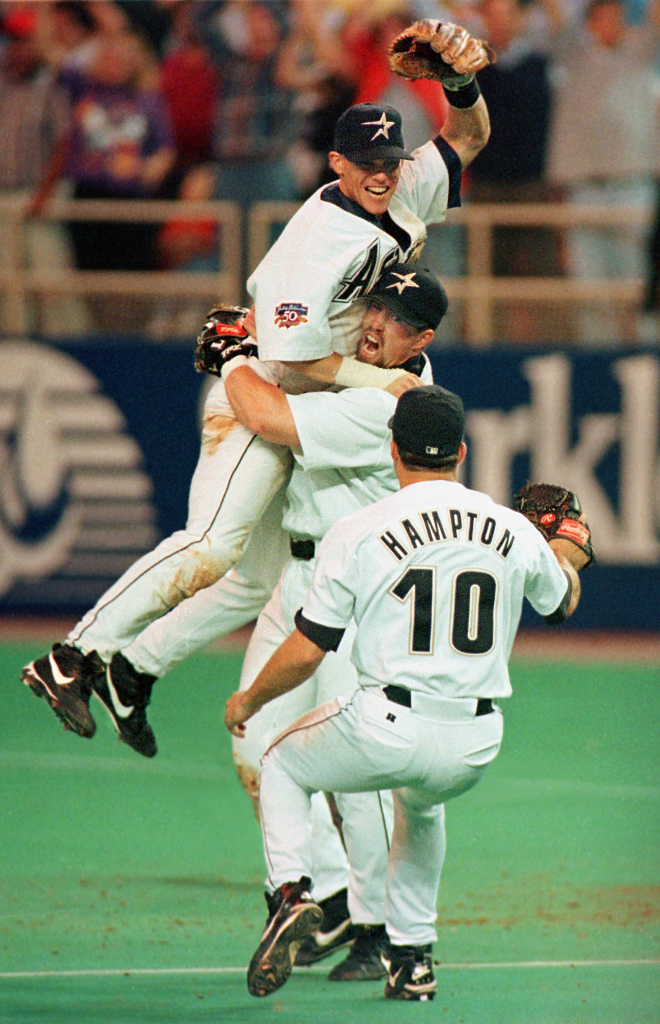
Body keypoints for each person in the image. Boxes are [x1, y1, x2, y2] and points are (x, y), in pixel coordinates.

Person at [21, 38, 490, 751]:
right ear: (337, 164)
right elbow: (298, 367)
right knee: (210, 545)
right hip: (255, 391)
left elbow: (470, 135)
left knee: (250, 581)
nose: (383, 176)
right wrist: (378, 378)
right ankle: (70, 657)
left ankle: (133, 673)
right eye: (367, 164)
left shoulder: (401, 189)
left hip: (292, 392)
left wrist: (458, 80)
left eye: (390, 162)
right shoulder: (317, 242)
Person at [224, 384, 589, 1001]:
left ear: (393, 450)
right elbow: (563, 600)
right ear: (462, 452)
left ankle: (290, 894)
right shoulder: (509, 526)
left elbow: (309, 648)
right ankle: (412, 958)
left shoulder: (359, 528)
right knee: (421, 805)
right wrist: (567, 552)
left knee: (280, 760)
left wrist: (251, 700)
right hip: (474, 743)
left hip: (386, 727)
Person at [218, 263, 446, 981]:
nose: (378, 324)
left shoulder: (393, 405)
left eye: (398, 320)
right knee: (256, 742)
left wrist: (234, 356)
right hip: (298, 571)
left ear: (423, 340)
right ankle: (315, 895)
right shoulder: (354, 371)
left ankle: (375, 929)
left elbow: (265, 415)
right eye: (376, 306)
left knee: (355, 776)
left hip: (356, 592)